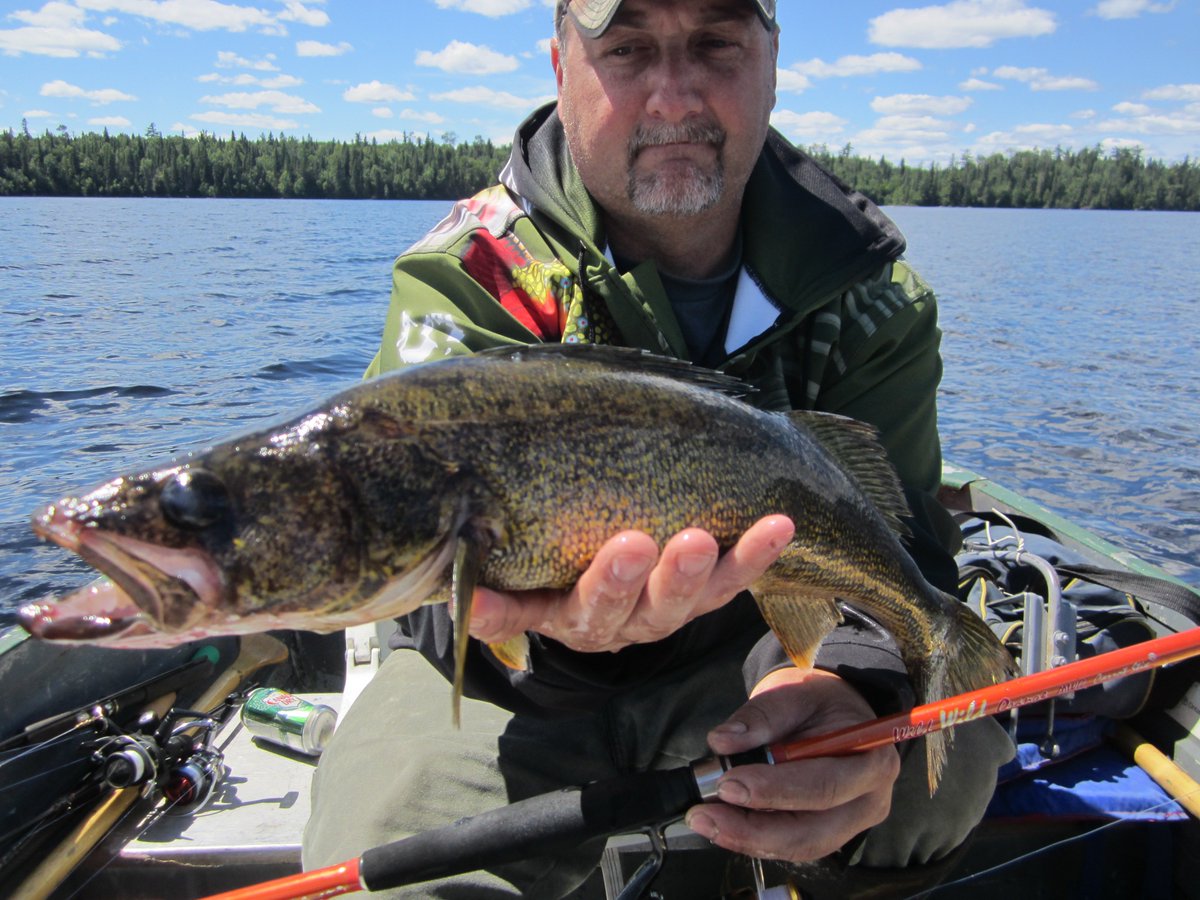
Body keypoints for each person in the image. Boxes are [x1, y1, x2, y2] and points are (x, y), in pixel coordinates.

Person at [303, 0, 1014, 895]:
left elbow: (901, 539)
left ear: (771, 61)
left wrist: (854, 680)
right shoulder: (470, 277)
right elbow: (415, 563)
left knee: (936, 784)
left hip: (751, 657)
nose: (674, 96)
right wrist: (540, 626)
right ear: (561, 67)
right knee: (384, 847)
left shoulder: (871, 298)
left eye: (715, 43)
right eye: (629, 48)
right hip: (511, 690)